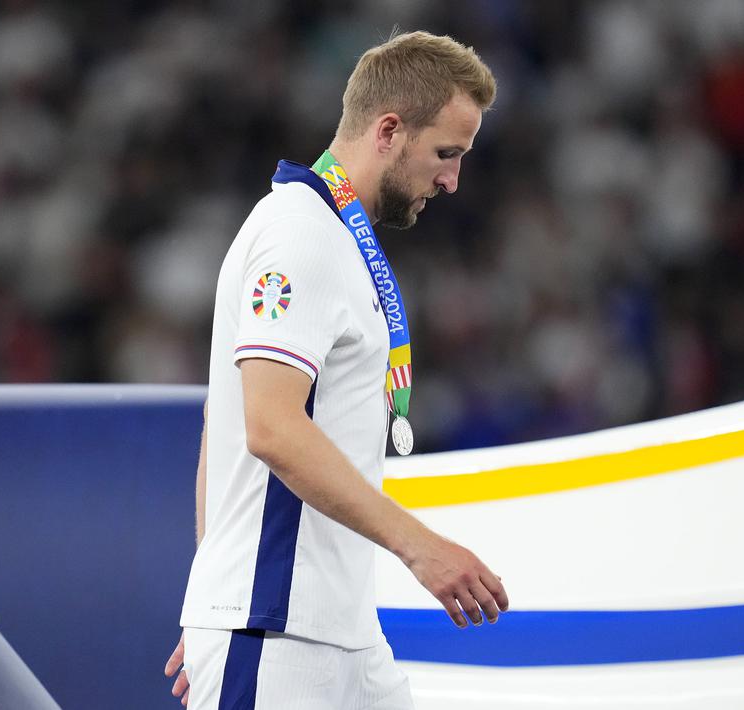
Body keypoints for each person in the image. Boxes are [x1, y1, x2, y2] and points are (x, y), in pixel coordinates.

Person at [165, 30, 509, 709]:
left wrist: (215, 586)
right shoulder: (300, 235)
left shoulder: (333, 237)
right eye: (446, 153)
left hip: (334, 630)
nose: (451, 180)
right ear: (388, 131)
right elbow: (267, 425)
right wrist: (420, 547)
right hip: (276, 633)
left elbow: (219, 420)